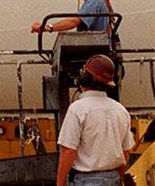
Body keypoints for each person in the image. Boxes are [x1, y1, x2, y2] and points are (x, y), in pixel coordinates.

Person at [56, 55, 135, 186]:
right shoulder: (121, 110)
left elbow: (68, 151)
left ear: (84, 79)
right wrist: (118, 178)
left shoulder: (78, 109)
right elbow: (126, 151)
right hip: (114, 178)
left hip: (86, 181)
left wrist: (60, 183)